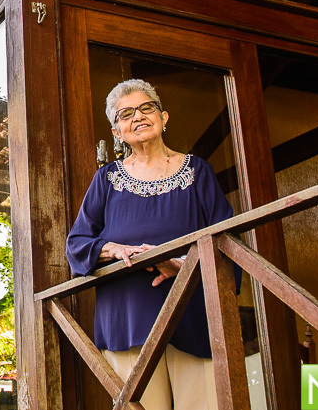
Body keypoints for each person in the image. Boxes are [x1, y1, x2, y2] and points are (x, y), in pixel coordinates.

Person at [66, 79, 234, 410]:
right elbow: (77, 243)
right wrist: (115, 249)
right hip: (126, 317)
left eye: (146, 108)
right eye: (125, 114)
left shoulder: (198, 172)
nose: (138, 117)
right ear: (117, 132)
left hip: (192, 313)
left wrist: (183, 265)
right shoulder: (106, 179)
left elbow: (227, 243)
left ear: (164, 117)